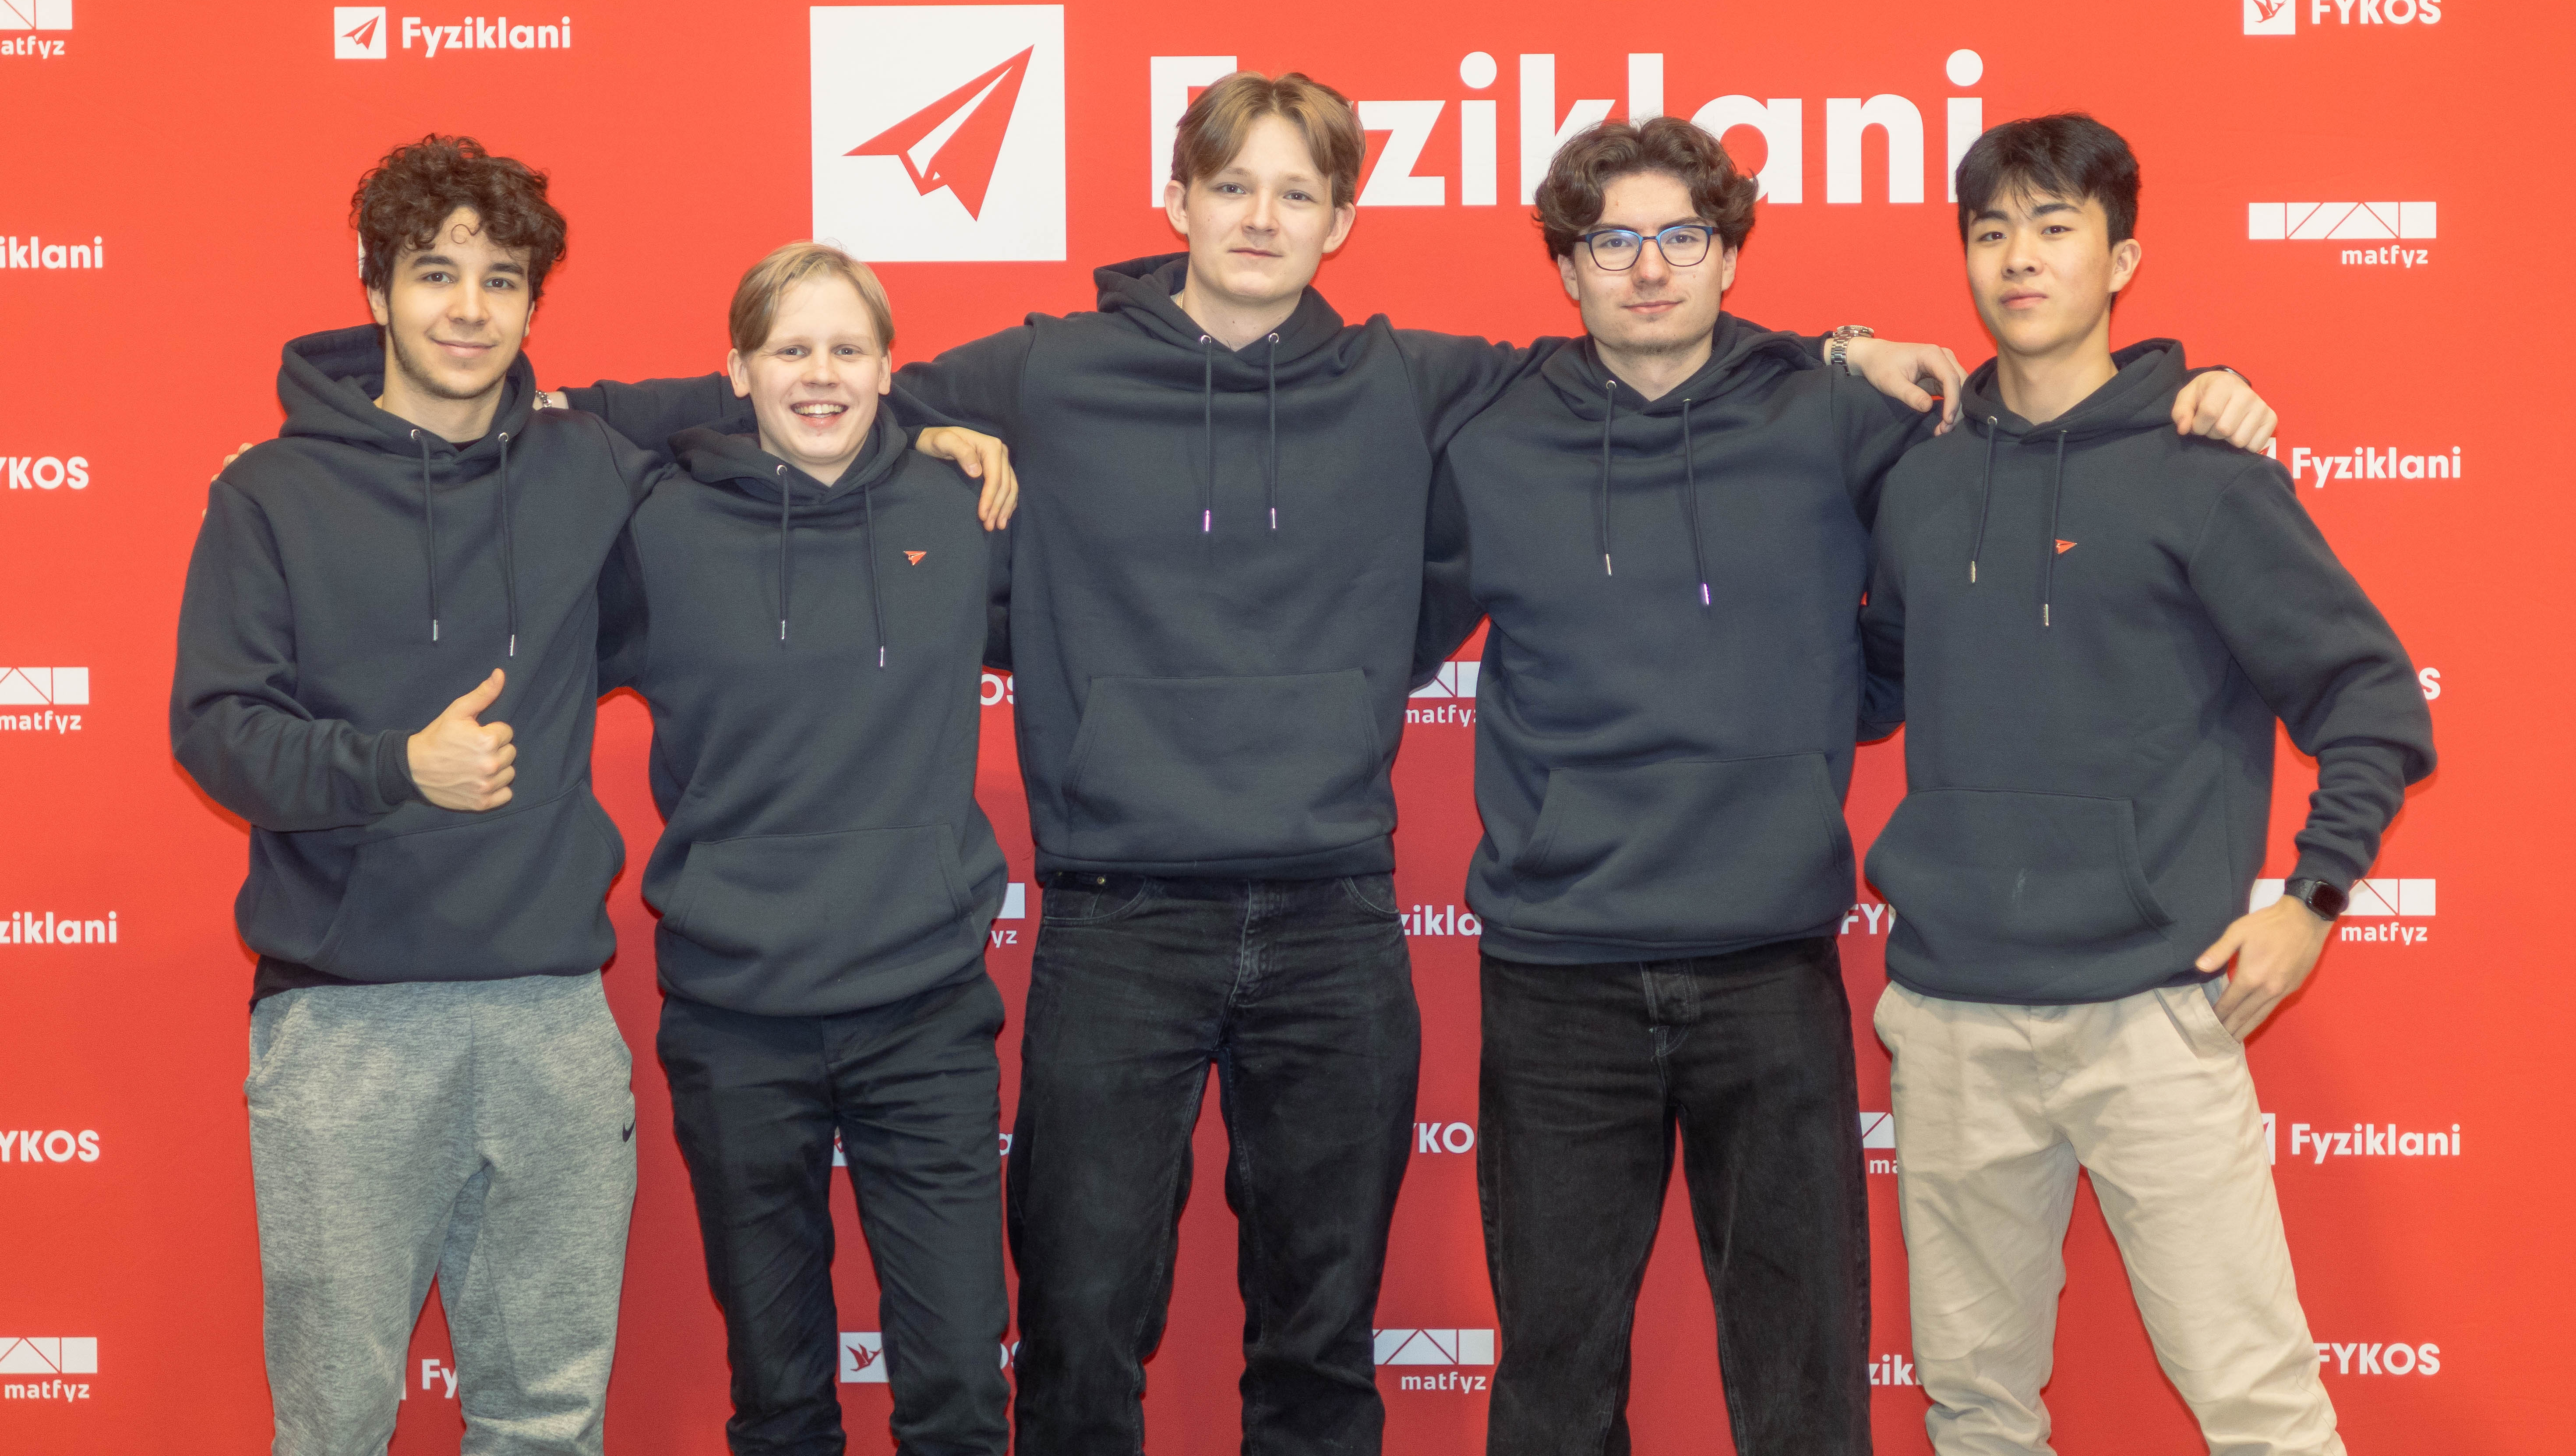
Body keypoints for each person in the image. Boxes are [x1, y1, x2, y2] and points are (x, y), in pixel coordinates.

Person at [544, 71, 1970, 1456]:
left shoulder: (1413, 380)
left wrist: (1836, 348)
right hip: (1117, 916)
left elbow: (1647, 344)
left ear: (1339, 221)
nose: (1261, 218)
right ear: (1176, 200)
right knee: (1081, 1333)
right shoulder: (1051, 370)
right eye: (1232, 187)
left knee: (1318, 1343)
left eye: (1296, 194)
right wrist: (544, 412)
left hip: (1330, 918)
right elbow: (824, 383)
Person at [1418, 117, 2278, 1456]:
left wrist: (2200, 389)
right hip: (1555, 974)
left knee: (1803, 1383)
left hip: (1767, 965)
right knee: (1552, 1378)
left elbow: (2026, 439)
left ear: (1729, 253)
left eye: (1681, 236)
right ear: (1567, 267)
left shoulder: (1832, 414)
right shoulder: (1489, 434)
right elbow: (1367, 596)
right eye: (1612, 241)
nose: (1648, 268)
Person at [1860, 113, 2434, 1455]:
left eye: (2054, 226)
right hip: (1951, 1017)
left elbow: (2370, 697)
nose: (2019, 257)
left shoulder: (2202, 473)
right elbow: (1870, 681)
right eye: (1991, 230)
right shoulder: (1920, 481)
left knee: (2258, 1406)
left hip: (2154, 1015)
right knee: (1977, 1411)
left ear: (2120, 259)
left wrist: (2311, 899)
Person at [171, 136, 660, 1455]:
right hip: (347, 1029)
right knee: (336, 1422)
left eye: (501, 281)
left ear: (533, 305)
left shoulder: (586, 468)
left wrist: (923, 424)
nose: (467, 308)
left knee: (549, 1420)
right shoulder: (271, 493)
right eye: (436, 273)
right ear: (375, 285)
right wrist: (397, 766)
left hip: (551, 1014)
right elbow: (216, 733)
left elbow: (767, 412)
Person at [596, 242, 1015, 1456]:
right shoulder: (655, 529)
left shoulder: (966, 508)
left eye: (846, 349)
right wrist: (317, 464)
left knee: (960, 1395)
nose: (820, 375)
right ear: (737, 371)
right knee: (779, 1401)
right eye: (790, 350)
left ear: (890, 369)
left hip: (924, 1012)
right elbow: (515, 452)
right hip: (736, 1018)